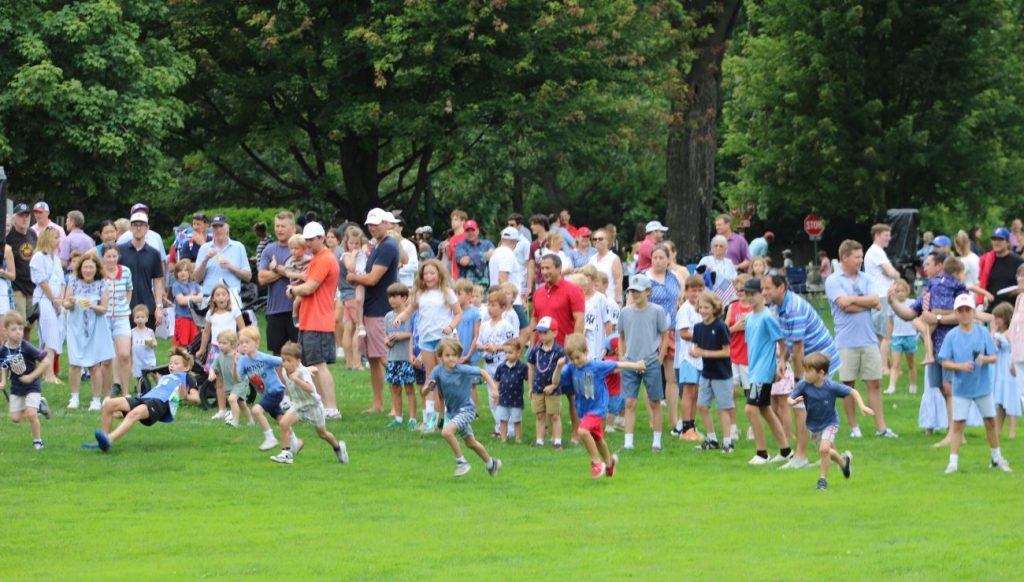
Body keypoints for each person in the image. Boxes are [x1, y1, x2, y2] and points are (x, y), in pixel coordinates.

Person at [825, 239, 898, 439]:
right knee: (848, 385)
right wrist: (865, 303)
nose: (860, 260)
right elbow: (843, 306)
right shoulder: (833, 280)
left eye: (861, 256)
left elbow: (876, 301)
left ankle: (881, 428)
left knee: (874, 383)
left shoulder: (866, 278)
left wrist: (854, 301)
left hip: (868, 339)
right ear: (845, 258)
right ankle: (853, 427)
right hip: (846, 341)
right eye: (857, 257)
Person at [889, 252, 962, 446]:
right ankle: (953, 432)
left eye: (928, 264)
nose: (924, 267)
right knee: (942, 388)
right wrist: (893, 303)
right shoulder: (929, 292)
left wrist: (938, 318)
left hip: (951, 345)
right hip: (936, 346)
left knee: (950, 388)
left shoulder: (955, 288)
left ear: (940, 266)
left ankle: (954, 434)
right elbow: (909, 314)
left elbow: (964, 315)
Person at [938, 294, 1012, 474]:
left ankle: (996, 457)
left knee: (990, 422)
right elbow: (944, 361)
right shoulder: (952, 336)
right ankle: (953, 462)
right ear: (956, 313)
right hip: (962, 388)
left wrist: (984, 359)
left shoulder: (982, 332)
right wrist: (961, 366)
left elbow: (994, 356)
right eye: (961, 311)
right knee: (958, 424)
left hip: (982, 386)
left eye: (967, 310)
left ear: (973, 312)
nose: (964, 314)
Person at [560, 333, 645, 478]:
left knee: (582, 431)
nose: (576, 361)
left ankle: (597, 463)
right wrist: (558, 368)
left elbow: (618, 364)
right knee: (598, 439)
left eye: (578, 357)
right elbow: (557, 381)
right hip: (585, 410)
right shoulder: (571, 368)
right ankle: (610, 463)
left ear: (586, 352)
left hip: (598, 409)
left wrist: (637, 365)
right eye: (572, 359)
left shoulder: (596, 366)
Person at [788, 352, 874, 490]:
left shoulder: (831, 386)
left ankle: (822, 481)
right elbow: (789, 398)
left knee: (824, 449)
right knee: (826, 451)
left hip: (830, 423)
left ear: (821, 373)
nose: (805, 374)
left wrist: (862, 406)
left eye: (808, 371)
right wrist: (793, 401)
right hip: (814, 425)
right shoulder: (804, 385)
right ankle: (843, 462)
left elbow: (852, 391)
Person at [422, 338, 502, 478]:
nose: (451, 358)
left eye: (454, 355)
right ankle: (491, 464)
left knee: (447, 432)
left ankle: (461, 462)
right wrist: (428, 388)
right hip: (454, 413)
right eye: (447, 355)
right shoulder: (437, 371)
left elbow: (483, 372)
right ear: (440, 357)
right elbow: (423, 391)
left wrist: (494, 389)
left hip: (467, 409)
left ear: (459, 357)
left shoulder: (462, 369)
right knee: (471, 443)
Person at [347, 209, 401, 415]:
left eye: (376, 224)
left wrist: (353, 278)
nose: (372, 227)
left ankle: (397, 406)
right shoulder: (378, 245)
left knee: (386, 358)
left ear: (387, 223)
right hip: (371, 308)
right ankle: (378, 403)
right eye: (370, 224)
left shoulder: (387, 246)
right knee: (373, 358)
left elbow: (372, 279)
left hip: (381, 309)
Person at [287, 221, 341, 419]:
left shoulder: (324, 259)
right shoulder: (317, 259)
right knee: (313, 366)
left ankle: (331, 407)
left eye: (312, 239)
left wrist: (292, 290)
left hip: (318, 320)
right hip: (311, 319)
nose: (309, 243)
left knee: (319, 365)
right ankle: (321, 406)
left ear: (322, 238)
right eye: (307, 239)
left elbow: (309, 287)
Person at [92, 346, 191, 452]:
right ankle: (102, 442)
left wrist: (184, 396)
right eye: (170, 363)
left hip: (159, 404)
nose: (172, 365)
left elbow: (193, 396)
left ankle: (108, 439)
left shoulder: (186, 377)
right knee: (109, 404)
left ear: (186, 367)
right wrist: (156, 377)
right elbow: (162, 387)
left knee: (133, 414)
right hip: (146, 398)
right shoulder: (165, 377)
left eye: (176, 363)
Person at [269, 341, 349, 465]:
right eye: (283, 360)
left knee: (322, 434)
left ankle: (338, 447)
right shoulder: (286, 371)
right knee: (284, 423)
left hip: (313, 406)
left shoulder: (301, 373)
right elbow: (310, 369)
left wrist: (297, 380)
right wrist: (312, 369)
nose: (285, 363)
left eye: (289, 360)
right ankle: (286, 453)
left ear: (298, 360)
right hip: (298, 405)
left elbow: (310, 388)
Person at [741, 278, 792, 465]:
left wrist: (781, 364)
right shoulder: (749, 318)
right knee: (765, 410)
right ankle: (786, 451)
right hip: (754, 370)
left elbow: (782, 342)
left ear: (762, 294)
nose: (749, 297)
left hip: (763, 372)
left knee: (749, 409)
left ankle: (762, 453)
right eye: (747, 294)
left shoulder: (767, 317)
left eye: (753, 293)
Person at [618, 274, 669, 451]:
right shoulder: (625, 312)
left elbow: (665, 335)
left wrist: (660, 359)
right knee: (629, 402)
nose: (635, 294)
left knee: (654, 402)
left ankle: (656, 441)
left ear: (648, 292)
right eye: (632, 291)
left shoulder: (657, 311)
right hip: (630, 362)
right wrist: (622, 358)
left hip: (650, 361)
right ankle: (628, 442)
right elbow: (621, 337)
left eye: (639, 291)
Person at [62, 252, 114, 411]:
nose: (88, 270)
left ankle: (96, 399)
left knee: (94, 365)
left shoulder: (102, 284)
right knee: (74, 363)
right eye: (85, 267)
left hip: (95, 328)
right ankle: (74, 397)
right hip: (76, 327)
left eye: (91, 267)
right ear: (80, 268)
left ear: (96, 268)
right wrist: (70, 302)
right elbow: (66, 304)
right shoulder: (72, 281)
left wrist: (92, 305)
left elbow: (104, 309)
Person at [235, 326, 299, 452]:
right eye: (241, 343)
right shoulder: (242, 361)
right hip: (266, 395)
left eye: (247, 342)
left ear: (257, 343)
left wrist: (298, 370)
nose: (244, 345)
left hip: (276, 391)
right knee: (281, 419)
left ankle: (270, 438)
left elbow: (284, 361)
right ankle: (295, 441)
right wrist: (234, 365)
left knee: (257, 410)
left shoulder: (263, 358)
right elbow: (238, 378)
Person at [688, 292, 735, 453]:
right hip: (706, 372)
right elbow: (696, 347)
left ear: (714, 309)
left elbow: (726, 352)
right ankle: (712, 439)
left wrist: (703, 353)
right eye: (700, 307)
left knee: (723, 408)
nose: (702, 310)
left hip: (722, 373)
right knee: (702, 405)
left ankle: (728, 442)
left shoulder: (721, 326)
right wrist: (695, 352)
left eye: (706, 307)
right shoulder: (698, 327)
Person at [0, 311, 52, 450]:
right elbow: (4, 365)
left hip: (32, 386)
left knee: (30, 414)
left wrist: (31, 376)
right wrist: (3, 381)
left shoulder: (26, 347)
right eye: (14, 329)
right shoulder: (3, 350)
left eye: (21, 329)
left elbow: (46, 361)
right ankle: (40, 406)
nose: (18, 332)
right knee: (15, 418)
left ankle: (38, 441)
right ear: (5, 331)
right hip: (17, 388)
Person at [197, 284, 244, 419]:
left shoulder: (234, 311)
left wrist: (241, 346)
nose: (221, 297)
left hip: (232, 350)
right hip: (216, 350)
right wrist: (201, 349)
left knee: (235, 379)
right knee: (220, 381)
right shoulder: (211, 314)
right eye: (217, 295)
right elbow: (206, 332)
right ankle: (222, 409)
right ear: (213, 299)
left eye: (224, 294)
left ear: (228, 297)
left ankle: (238, 407)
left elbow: (242, 328)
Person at [258, 212, 300, 355]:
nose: (279, 229)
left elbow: (303, 275)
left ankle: (300, 379)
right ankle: (279, 379)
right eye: (277, 226)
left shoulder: (301, 248)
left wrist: (276, 267)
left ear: (293, 228)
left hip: (297, 310)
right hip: (274, 310)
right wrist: (288, 271)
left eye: (283, 226)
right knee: (277, 355)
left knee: (300, 354)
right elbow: (262, 278)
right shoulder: (269, 250)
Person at [118, 211, 165, 331]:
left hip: (147, 306)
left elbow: (158, 280)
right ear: (130, 228)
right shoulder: (120, 251)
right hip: (124, 306)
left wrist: (158, 307)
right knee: (125, 347)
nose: (138, 228)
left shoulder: (154, 253)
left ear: (147, 228)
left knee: (146, 346)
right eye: (135, 225)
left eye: (142, 225)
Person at [30, 228, 65, 385]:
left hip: (57, 300)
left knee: (57, 333)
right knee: (48, 334)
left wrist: (61, 300)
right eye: (55, 237)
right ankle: (48, 374)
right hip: (44, 299)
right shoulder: (38, 257)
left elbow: (63, 282)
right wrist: (54, 300)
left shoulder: (56, 259)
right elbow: (42, 281)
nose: (58, 240)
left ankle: (47, 371)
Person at [864, 224, 900, 374]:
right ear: (877, 235)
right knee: (884, 335)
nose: (889, 238)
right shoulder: (876, 251)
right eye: (886, 235)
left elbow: (887, 273)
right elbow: (892, 272)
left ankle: (887, 365)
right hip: (882, 295)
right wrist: (895, 275)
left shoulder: (876, 252)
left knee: (882, 333)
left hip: (880, 295)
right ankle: (883, 367)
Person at [673, 274, 704, 441]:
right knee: (688, 391)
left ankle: (692, 425)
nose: (697, 293)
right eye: (693, 290)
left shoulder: (702, 308)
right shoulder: (685, 309)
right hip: (688, 357)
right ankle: (685, 428)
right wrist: (702, 337)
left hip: (700, 358)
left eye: (700, 290)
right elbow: (684, 333)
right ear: (686, 291)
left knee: (696, 392)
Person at [528, 316, 566, 448]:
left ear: (555, 333)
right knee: (539, 415)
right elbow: (531, 367)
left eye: (545, 332)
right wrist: (530, 387)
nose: (542, 336)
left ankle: (557, 441)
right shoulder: (536, 350)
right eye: (540, 332)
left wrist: (554, 385)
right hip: (538, 387)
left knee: (554, 415)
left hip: (553, 388)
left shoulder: (559, 351)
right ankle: (539, 440)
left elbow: (563, 371)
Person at [100, 245, 133, 397]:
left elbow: (129, 289)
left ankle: (126, 393)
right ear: (103, 257)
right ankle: (106, 395)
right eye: (108, 256)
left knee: (124, 354)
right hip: (104, 318)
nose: (112, 260)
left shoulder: (125, 271)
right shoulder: (99, 273)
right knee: (106, 359)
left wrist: (125, 304)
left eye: (114, 256)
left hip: (121, 317)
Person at [384, 283, 417, 430]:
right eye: (390, 296)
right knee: (395, 388)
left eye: (395, 296)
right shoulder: (388, 316)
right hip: (393, 357)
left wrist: (399, 336)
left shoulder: (410, 316)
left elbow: (413, 334)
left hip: (406, 357)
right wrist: (387, 341)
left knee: (409, 388)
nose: (392, 299)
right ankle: (398, 417)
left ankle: (412, 418)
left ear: (404, 298)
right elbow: (386, 335)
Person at [194, 214, 252, 297]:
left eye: (221, 226)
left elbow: (248, 277)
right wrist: (205, 260)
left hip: (232, 298)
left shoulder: (239, 247)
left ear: (228, 227)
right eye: (215, 227)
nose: (218, 230)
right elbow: (196, 279)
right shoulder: (204, 248)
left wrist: (231, 267)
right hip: (210, 297)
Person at [206, 330, 254, 427]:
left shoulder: (238, 357)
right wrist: (211, 373)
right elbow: (213, 367)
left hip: (240, 382)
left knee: (232, 399)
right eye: (219, 343)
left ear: (232, 344)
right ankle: (251, 422)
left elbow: (246, 370)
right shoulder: (220, 357)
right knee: (242, 404)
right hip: (229, 384)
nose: (221, 345)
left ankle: (235, 422)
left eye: (224, 343)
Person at [339, 226, 369, 369]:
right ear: (346, 242)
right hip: (351, 294)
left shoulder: (360, 253)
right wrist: (355, 254)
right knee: (357, 327)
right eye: (351, 243)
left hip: (347, 295)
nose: (354, 246)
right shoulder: (346, 255)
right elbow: (351, 268)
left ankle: (349, 363)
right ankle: (356, 363)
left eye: (357, 243)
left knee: (349, 327)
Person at [988, 303, 1019, 438]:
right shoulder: (999, 334)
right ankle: (998, 430)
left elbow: (995, 345)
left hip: (1009, 368)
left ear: (1006, 318)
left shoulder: (1009, 332)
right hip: (999, 369)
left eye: (999, 317)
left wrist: (993, 332)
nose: (996, 321)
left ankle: (1012, 431)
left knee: (1011, 398)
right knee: (1000, 400)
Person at [489, 226, 528, 333]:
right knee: (525, 330)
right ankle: (514, 350)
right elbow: (502, 278)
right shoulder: (507, 254)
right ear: (515, 241)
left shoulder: (496, 253)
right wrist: (508, 301)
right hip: (510, 300)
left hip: (500, 298)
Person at [885, 279, 919, 395]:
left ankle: (913, 385)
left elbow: (917, 319)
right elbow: (890, 322)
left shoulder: (912, 303)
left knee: (911, 364)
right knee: (895, 364)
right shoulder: (892, 305)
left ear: (907, 291)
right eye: (897, 291)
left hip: (910, 336)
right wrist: (889, 338)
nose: (900, 293)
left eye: (902, 291)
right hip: (897, 337)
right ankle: (892, 386)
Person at [979, 227, 1024, 312]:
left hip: (1012, 311)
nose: (996, 242)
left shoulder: (1019, 262)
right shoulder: (987, 260)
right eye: (994, 239)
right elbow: (982, 283)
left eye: (1000, 239)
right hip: (992, 311)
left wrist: (1017, 292)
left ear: (1008, 242)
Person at [494, 338, 528, 443]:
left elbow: (528, 379)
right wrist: (496, 394)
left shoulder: (522, 367)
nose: (507, 355)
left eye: (510, 352)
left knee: (516, 420)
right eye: (505, 353)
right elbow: (497, 381)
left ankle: (518, 438)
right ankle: (503, 438)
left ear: (518, 352)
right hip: (503, 398)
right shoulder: (501, 367)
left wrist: (530, 390)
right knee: (503, 420)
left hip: (516, 399)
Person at [7, 203, 38, 320]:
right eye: (21, 216)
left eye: (27, 216)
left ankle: (26, 340)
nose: (25, 219)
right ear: (14, 218)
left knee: (30, 322)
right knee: (19, 321)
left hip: (32, 286)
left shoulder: (32, 234)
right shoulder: (9, 236)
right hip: (16, 286)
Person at [698, 235, 739, 309]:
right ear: (711, 248)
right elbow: (697, 278)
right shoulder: (705, 260)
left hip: (726, 299)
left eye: (721, 246)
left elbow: (734, 279)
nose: (718, 248)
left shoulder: (729, 262)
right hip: (708, 298)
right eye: (716, 245)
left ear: (725, 249)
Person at [171, 260, 203, 348]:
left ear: (189, 272)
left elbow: (201, 298)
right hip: (182, 318)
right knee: (182, 344)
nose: (183, 273)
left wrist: (188, 298)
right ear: (176, 273)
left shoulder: (194, 284)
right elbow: (181, 301)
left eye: (185, 270)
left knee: (194, 343)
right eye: (180, 271)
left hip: (194, 319)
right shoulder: (176, 285)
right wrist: (194, 298)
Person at [588, 228, 623, 305]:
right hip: (594, 301)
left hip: (609, 300)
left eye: (600, 239)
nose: (597, 241)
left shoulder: (614, 258)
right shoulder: (592, 259)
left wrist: (617, 301)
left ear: (607, 241)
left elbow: (618, 281)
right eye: (594, 239)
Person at [454, 219, 494, 290]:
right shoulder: (460, 245)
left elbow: (493, 256)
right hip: (466, 288)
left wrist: (471, 257)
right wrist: (484, 255)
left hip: (486, 287)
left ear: (477, 231)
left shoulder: (487, 244)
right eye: (467, 231)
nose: (470, 233)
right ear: (464, 232)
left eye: (472, 230)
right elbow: (464, 261)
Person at [130, 305, 157, 395]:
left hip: (148, 359)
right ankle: (140, 393)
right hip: (137, 360)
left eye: (142, 317)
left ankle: (160, 387)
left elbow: (155, 344)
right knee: (139, 378)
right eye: (137, 317)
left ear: (147, 319)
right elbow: (130, 347)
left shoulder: (149, 332)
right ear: (134, 319)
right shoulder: (132, 332)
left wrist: (151, 344)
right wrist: (131, 363)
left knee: (154, 373)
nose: (140, 319)